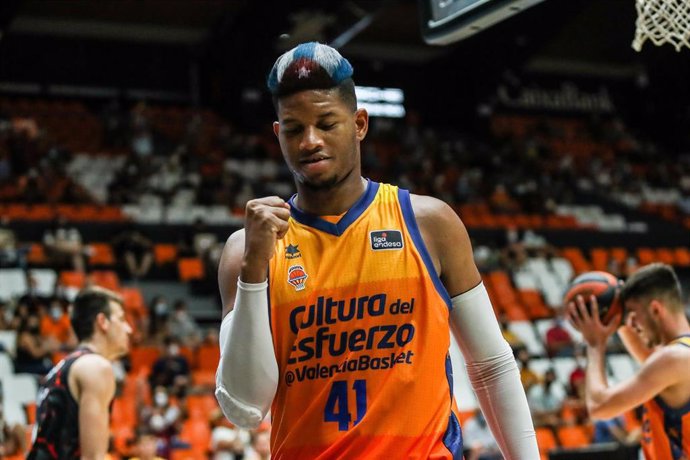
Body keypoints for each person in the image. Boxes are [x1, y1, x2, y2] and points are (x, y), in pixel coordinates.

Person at [215, 42, 538, 459]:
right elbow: (244, 408)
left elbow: (491, 366)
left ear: (360, 123)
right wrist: (253, 272)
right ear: (278, 135)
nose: (310, 141)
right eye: (294, 129)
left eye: (327, 123)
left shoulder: (429, 223)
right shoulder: (247, 248)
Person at [567, 263, 690, 460]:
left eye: (633, 315)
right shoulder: (677, 356)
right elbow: (647, 356)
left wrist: (595, 344)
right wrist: (617, 315)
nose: (632, 324)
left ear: (656, 310)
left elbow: (599, 407)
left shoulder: (673, 359)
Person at [27, 286, 132, 459]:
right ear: (102, 322)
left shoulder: (66, 365)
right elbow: (92, 457)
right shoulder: (95, 367)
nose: (129, 329)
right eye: (121, 319)